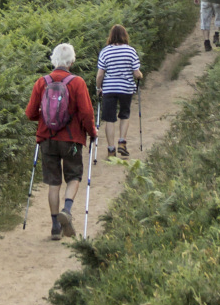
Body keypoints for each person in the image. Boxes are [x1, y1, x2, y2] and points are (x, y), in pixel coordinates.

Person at [25, 43, 97, 241]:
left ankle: (55, 226)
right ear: (72, 61)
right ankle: (67, 209)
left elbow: (30, 113)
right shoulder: (78, 82)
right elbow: (86, 113)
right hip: (72, 140)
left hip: (47, 139)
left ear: (53, 60)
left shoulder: (42, 82)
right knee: (74, 176)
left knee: (53, 182)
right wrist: (92, 132)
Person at [95, 25, 143, 157]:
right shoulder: (131, 51)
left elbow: (100, 75)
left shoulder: (105, 51)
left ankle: (111, 150)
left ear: (111, 36)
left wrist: (99, 88)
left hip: (109, 88)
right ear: (124, 36)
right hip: (126, 88)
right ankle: (122, 142)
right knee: (124, 114)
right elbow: (136, 73)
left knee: (109, 119)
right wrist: (140, 76)